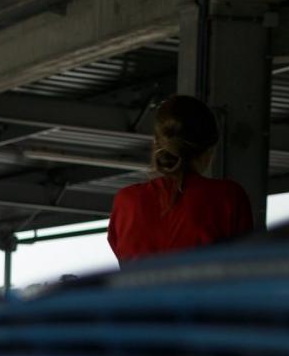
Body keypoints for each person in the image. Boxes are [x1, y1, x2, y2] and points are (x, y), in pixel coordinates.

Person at [107, 94, 252, 264]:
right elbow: (246, 264)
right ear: (209, 151)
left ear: (157, 143)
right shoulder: (228, 197)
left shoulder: (126, 201)